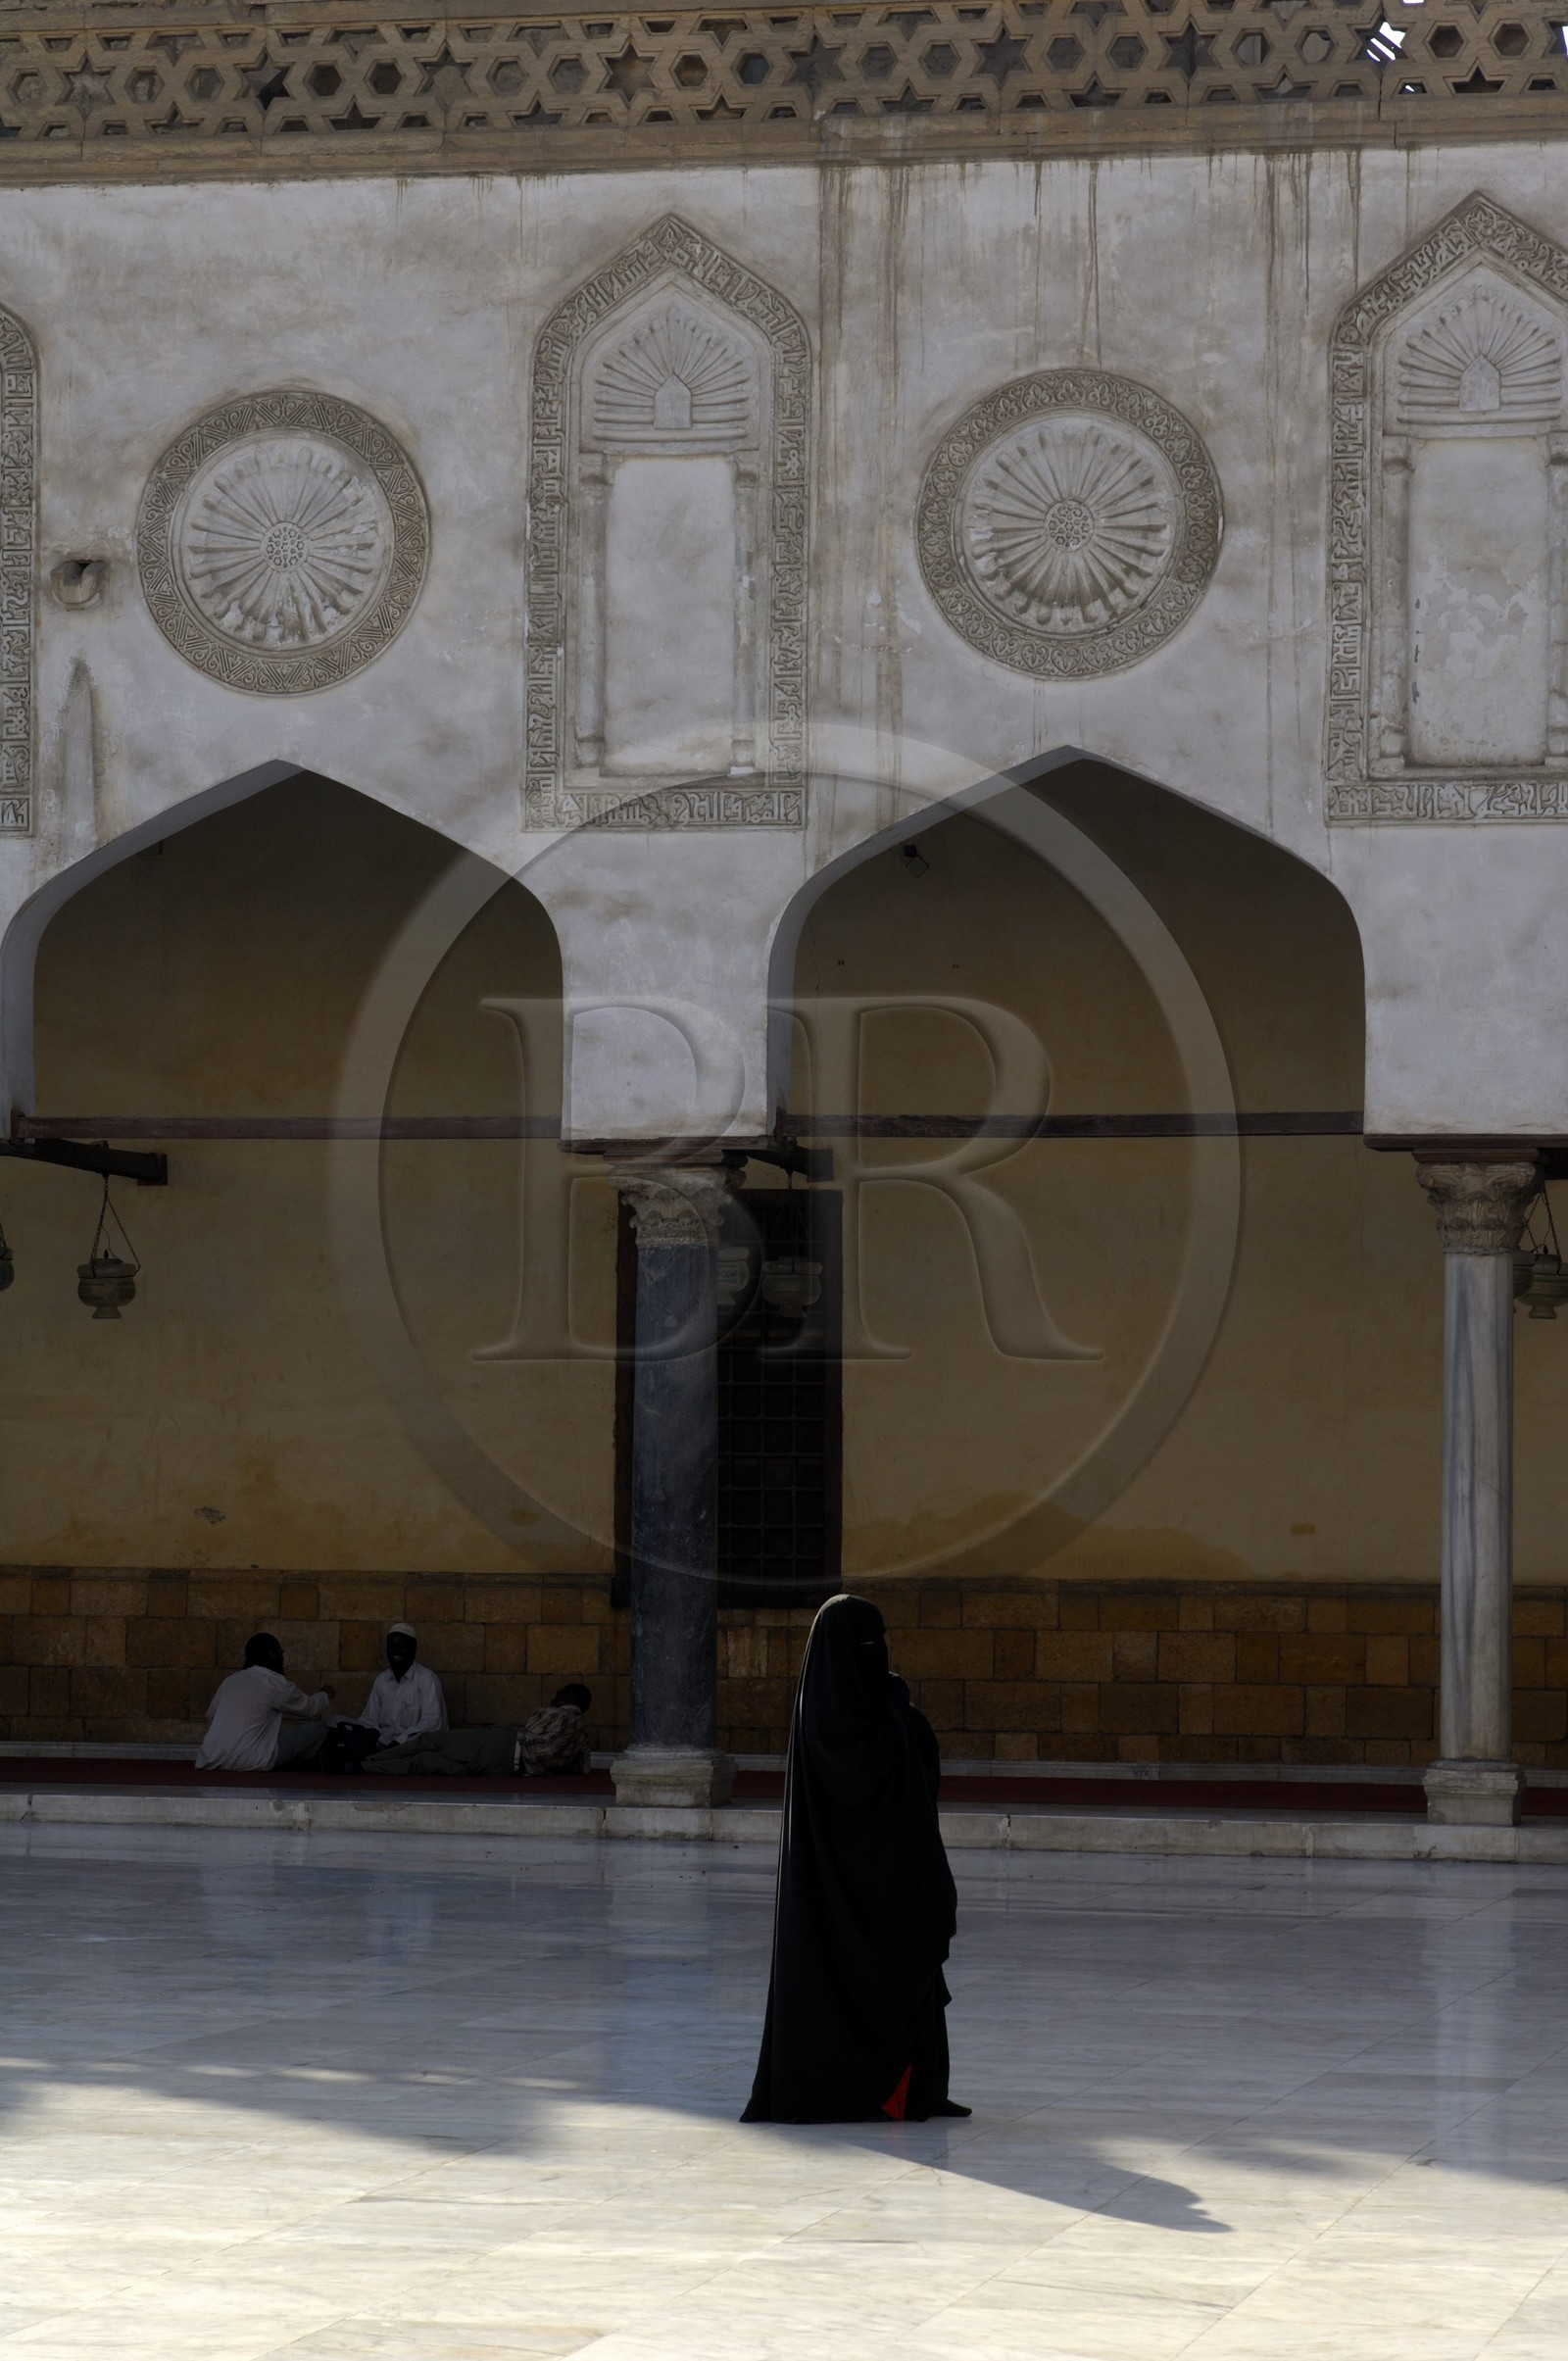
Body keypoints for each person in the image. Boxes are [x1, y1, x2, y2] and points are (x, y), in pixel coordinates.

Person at [742, 1594, 968, 2125]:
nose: (879, 1652)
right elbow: (869, 1771)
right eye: (869, 1643)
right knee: (877, 1975)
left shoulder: (861, 1709)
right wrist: (899, 1708)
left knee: (908, 1970)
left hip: (890, 1877)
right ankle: (867, 2091)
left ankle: (917, 2089)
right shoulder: (834, 1720)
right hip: (848, 1885)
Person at [195, 1634, 335, 1773]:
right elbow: (311, 1708)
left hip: (210, 1758)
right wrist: (325, 1694)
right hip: (252, 1759)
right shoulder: (274, 1683)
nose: (282, 1658)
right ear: (272, 1655)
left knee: (280, 1737)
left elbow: (212, 1715)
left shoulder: (230, 1681)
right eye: (281, 1653)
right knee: (321, 1729)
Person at [327, 1623, 448, 1766]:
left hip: (410, 1746)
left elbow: (431, 1724)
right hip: (382, 1743)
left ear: (413, 1649)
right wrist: (349, 1726)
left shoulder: (427, 1679)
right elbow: (369, 1720)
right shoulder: (382, 1680)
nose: (395, 1651)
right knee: (335, 1724)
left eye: (402, 1646)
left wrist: (398, 1741)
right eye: (391, 1646)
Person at [519, 1684, 593, 1775]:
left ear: (570, 1696)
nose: (556, 1693)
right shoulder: (578, 1727)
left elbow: (546, 1751)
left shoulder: (563, 1716)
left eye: (561, 1691)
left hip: (519, 1754)